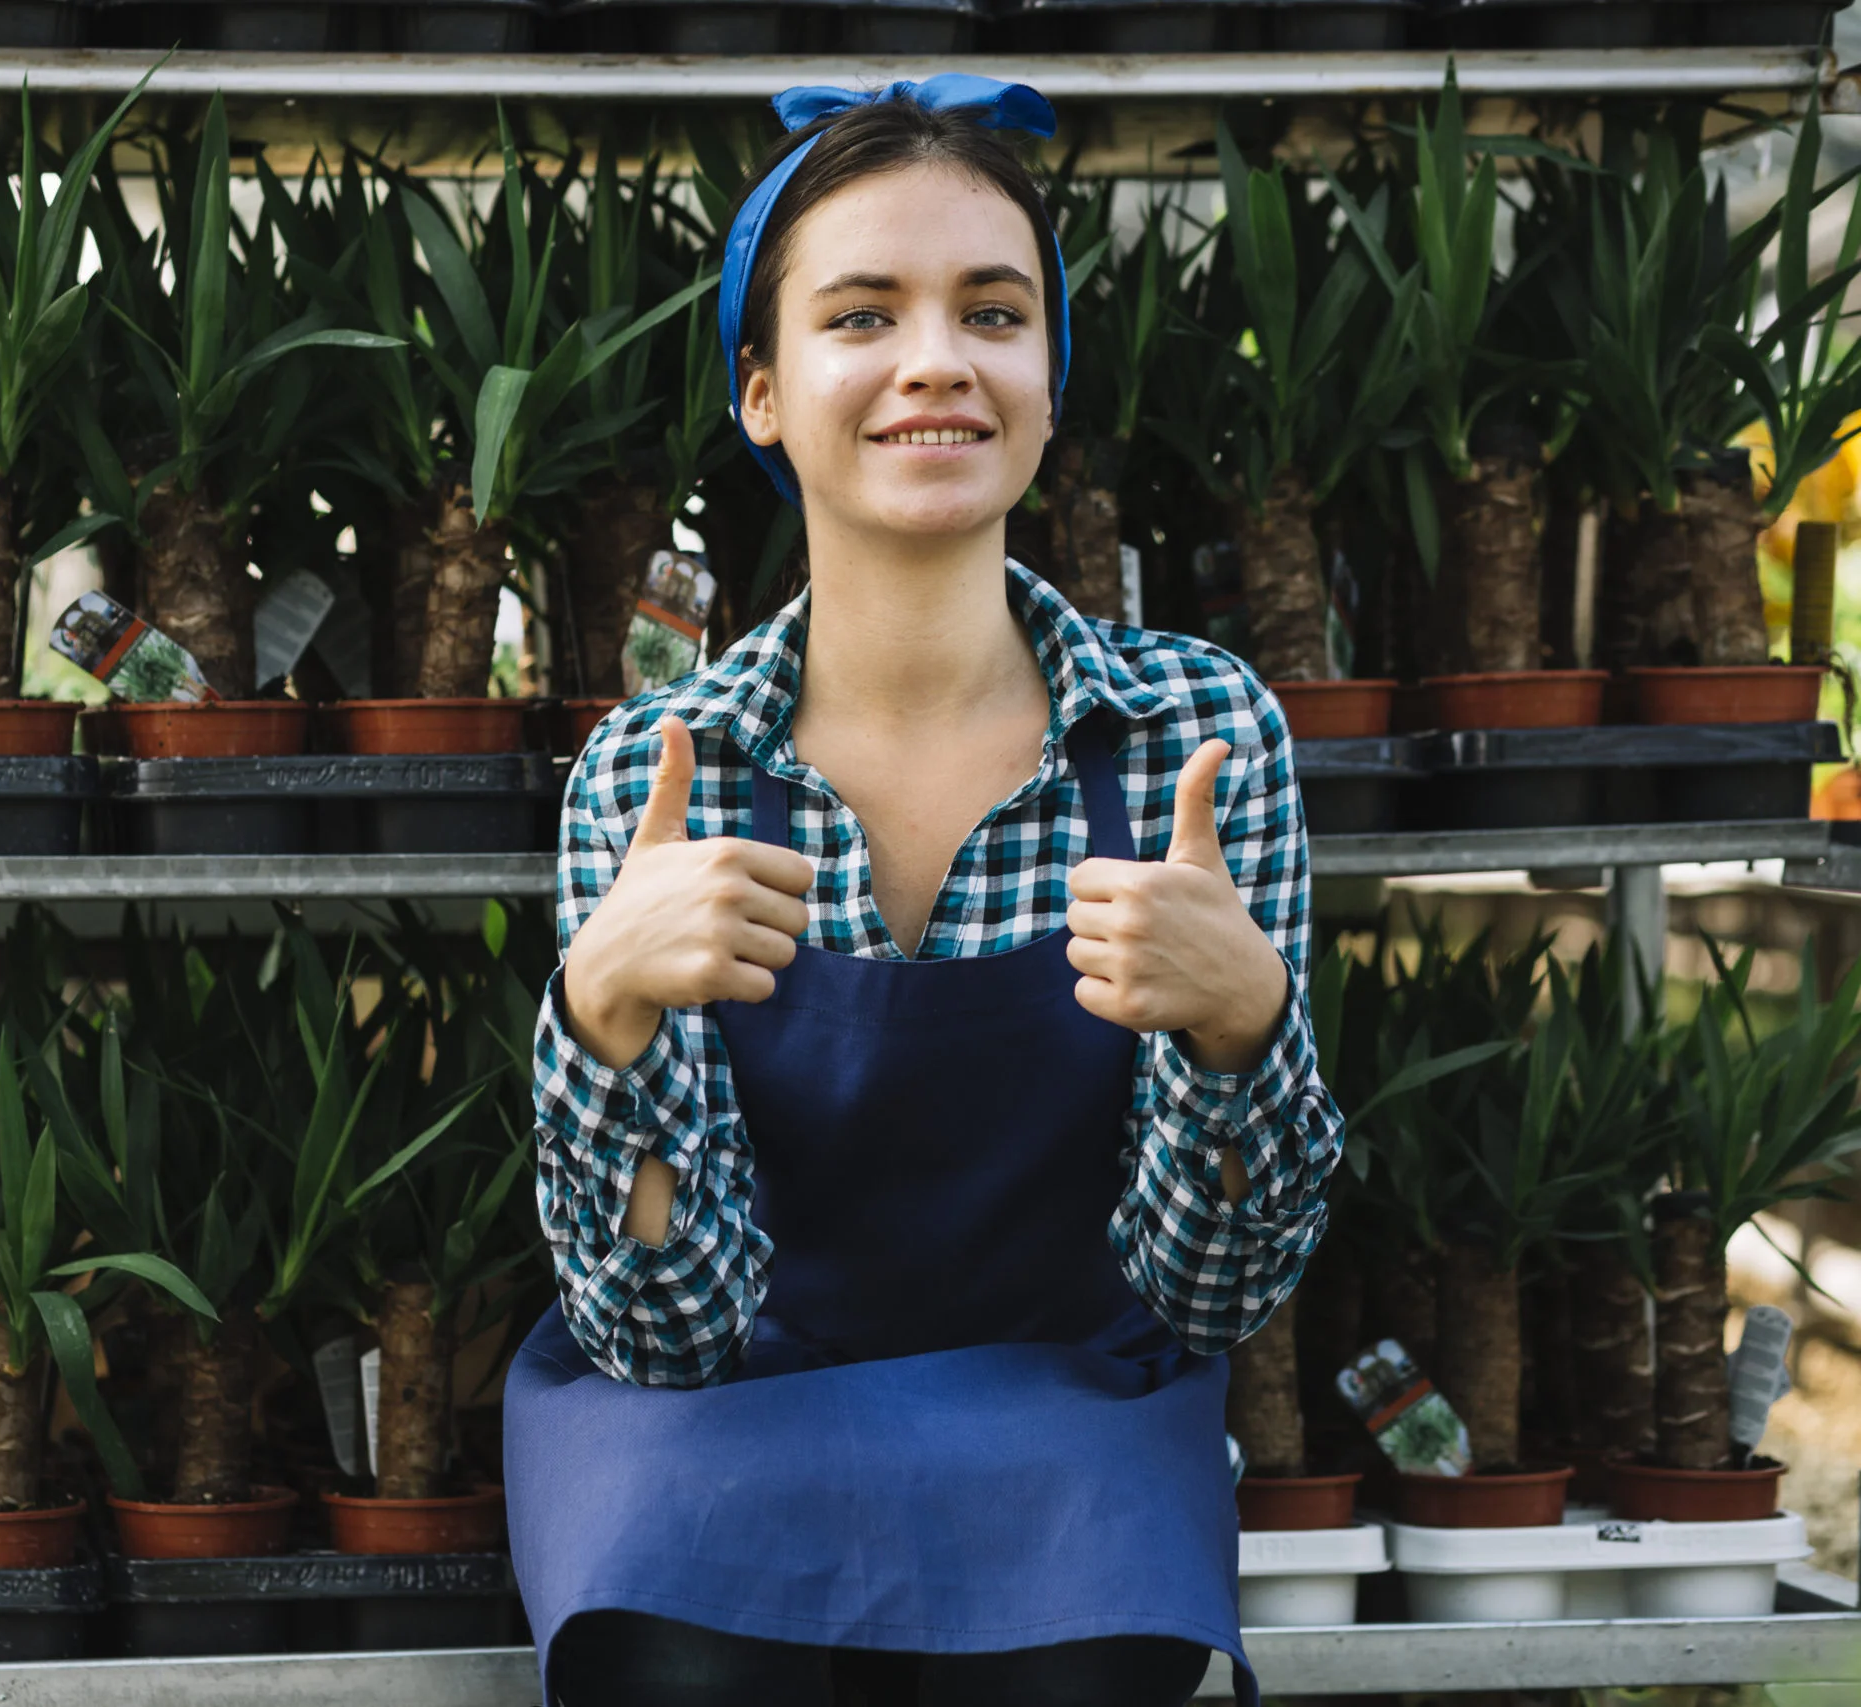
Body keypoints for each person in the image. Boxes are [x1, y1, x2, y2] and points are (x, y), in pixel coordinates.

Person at [501, 75, 1346, 1707]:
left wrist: (1243, 1028)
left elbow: (1210, 1293)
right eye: (862, 314)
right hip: (718, 1411)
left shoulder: (1195, 735)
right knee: (681, 1668)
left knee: (1073, 1673)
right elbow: (662, 1335)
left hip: (1062, 1411)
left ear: (1047, 381)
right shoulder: (655, 776)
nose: (938, 359)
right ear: (761, 390)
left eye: (994, 311)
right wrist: (602, 1019)